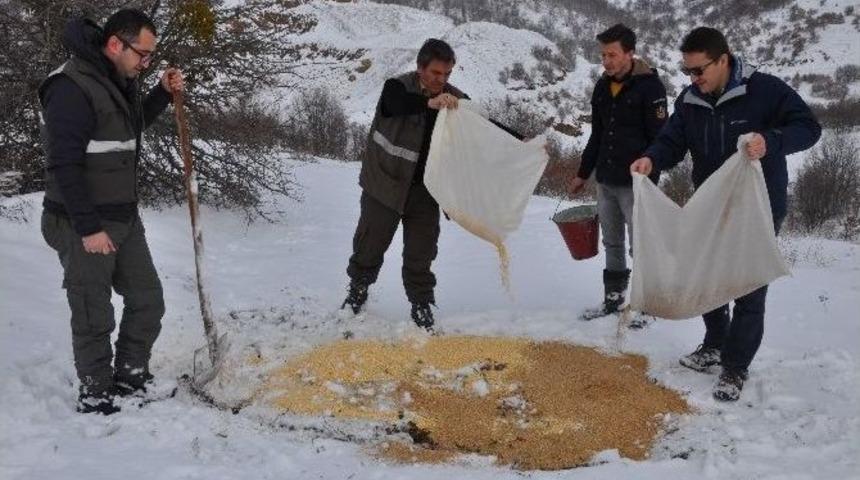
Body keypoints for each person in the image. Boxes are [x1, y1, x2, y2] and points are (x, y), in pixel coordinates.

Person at [630, 27, 821, 401]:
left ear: (723, 60)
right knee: (708, 277)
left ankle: (735, 367)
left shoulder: (764, 90)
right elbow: (671, 140)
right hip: (710, 205)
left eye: (699, 70)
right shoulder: (690, 100)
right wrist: (651, 159)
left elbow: (809, 128)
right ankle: (715, 343)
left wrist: (771, 141)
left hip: (758, 206)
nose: (693, 79)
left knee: (748, 284)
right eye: (687, 71)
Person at [39, 9, 185, 414]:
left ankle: (130, 375)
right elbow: (63, 164)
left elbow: (126, 129)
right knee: (93, 312)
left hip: (122, 216)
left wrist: (161, 93)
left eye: (151, 56)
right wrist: (88, 228)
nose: (146, 63)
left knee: (148, 299)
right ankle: (97, 392)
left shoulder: (117, 78)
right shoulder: (70, 86)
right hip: (80, 221)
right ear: (116, 44)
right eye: (143, 54)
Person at [341, 38, 521, 332]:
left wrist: (522, 142)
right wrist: (429, 103)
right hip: (385, 183)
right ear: (420, 67)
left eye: (447, 74)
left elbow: (485, 126)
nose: (442, 80)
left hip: (426, 190)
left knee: (421, 251)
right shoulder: (397, 87)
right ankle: (357, 290)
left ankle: (421, 303)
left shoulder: (455, 99)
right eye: (436, 73)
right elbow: (394, 105)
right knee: (370, 243)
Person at [571, 24, 667, 323]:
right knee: (611, 242)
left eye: (612, 55)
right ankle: (613, 300)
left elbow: (661, 139)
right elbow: (597, 135)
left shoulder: (650, 87)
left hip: (636, 183)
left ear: (630, 53)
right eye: (603, 55)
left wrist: (649, 178)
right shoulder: (602, 87)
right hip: (606, 179)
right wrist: (583, 173)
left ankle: (647, 305)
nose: (606, 61)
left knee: (641, 246)